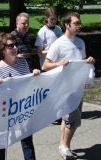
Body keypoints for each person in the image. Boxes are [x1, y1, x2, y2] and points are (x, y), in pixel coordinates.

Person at [43, 12, 95, 160]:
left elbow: (82, 62)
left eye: (80, 23)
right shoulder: (58, 44)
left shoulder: (80, 42)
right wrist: (59, 63)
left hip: (77, 87)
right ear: (67, 25)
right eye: (76, 23)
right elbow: (46, 65)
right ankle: (65, 147)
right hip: (64, 89)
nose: (79, 26)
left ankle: (62, 144)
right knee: (73, 119)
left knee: (67, 118)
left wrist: (88, 61)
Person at [0, 32, 39, 160]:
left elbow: (28, 82)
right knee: (1, 143)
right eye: (10, 46)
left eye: (16, 44)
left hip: (22, 108)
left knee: (27, 142)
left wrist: (34, 75)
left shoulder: (23, 62)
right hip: (5, 112)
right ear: (2, 49)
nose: (14, 48)